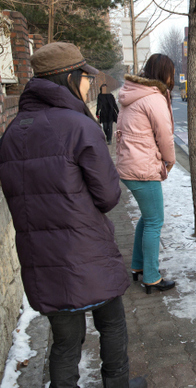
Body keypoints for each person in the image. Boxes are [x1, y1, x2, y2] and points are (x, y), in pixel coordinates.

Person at [0, 42, 146, 388]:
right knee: (111, 324)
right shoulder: (80, 127)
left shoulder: (11, 133)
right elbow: (109, 196)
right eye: (85, 77)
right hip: (86, 250)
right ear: (69, 77)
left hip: (42, 259)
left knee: (65, 341)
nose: (88, 84)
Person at [116, 54, 176, 294]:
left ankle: (139, 266)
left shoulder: (132, 93)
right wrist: (170, 161)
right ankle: (151, 277)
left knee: (147, 217)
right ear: (164, 73)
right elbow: (165, 136)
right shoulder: (153, 98)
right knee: (154, 221)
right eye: (171, 72)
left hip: (129, 165)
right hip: (142, 169)